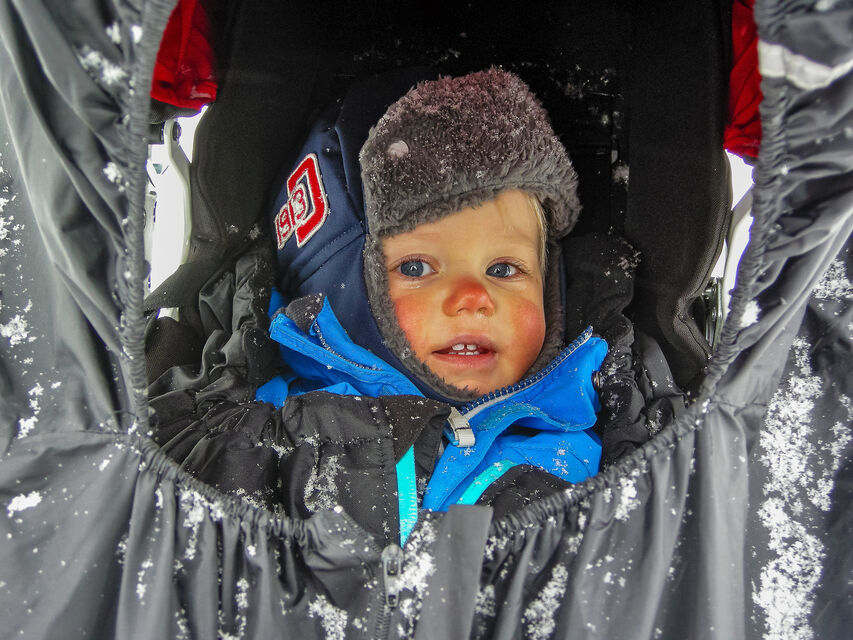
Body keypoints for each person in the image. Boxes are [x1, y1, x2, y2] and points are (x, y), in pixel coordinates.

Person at [258, 68, 650, 543]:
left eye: (503, 269)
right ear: (346, 288)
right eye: (417, 268)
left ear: (552, 293)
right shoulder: (273, 430)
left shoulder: (602, 464)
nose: (473, 299)